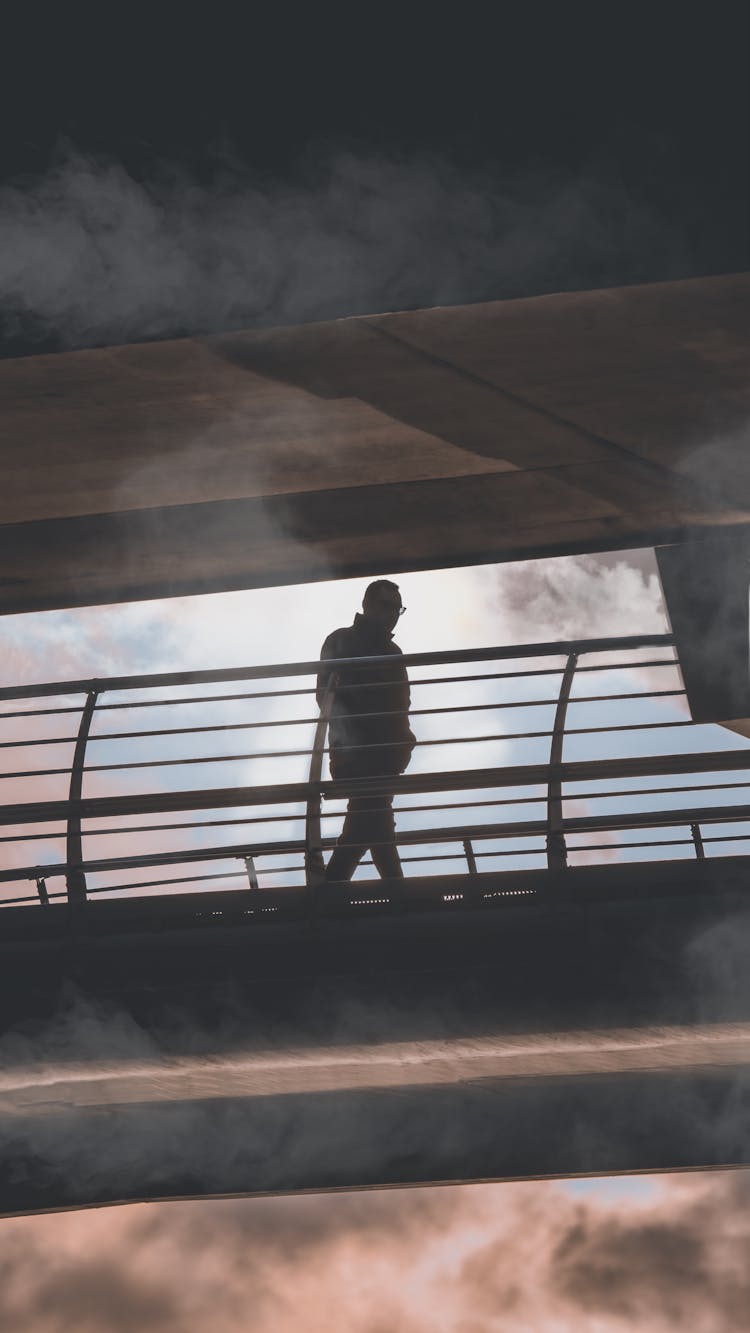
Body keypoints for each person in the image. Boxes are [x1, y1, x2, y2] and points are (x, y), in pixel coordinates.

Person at [317, 580, 416, 881]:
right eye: (387, 606)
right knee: (375, 824)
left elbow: (402, 705)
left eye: (398, 608)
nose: (394, 614)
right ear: (367, 605)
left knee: (369, 824)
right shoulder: (341, 641)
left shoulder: (392, 652)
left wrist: (403, 747)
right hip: (358, 757)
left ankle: (332, 893)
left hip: (380, 758)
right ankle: (400, 897)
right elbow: (326, 696)